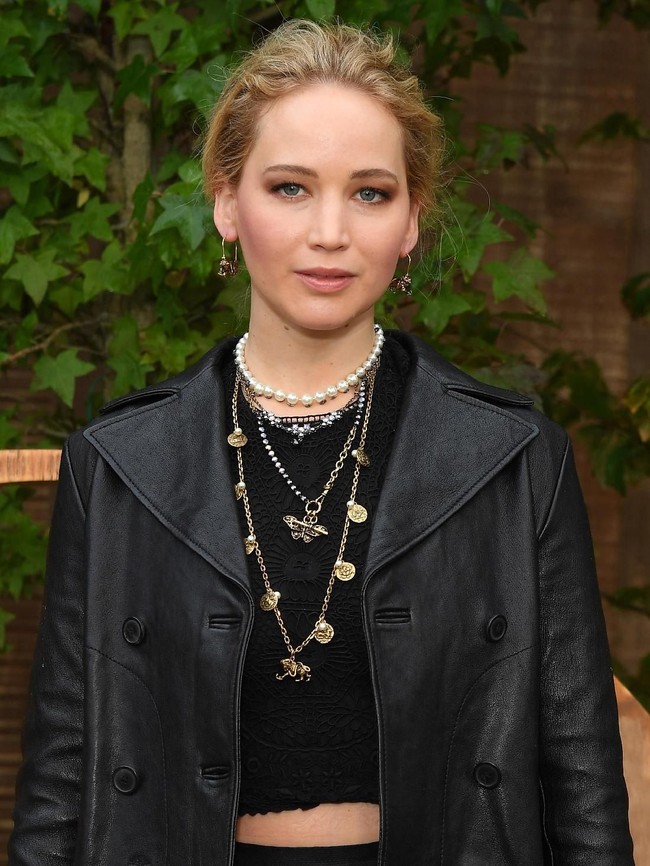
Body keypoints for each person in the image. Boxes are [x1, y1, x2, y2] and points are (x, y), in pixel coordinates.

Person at [9, 18, 634, 866]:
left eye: (370, 192)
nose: (331, 232)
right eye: (291, 188)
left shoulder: (517, 458)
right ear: (227, 202)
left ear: (412, 219)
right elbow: (61, 781)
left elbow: (583, 781)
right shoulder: (117, 464)